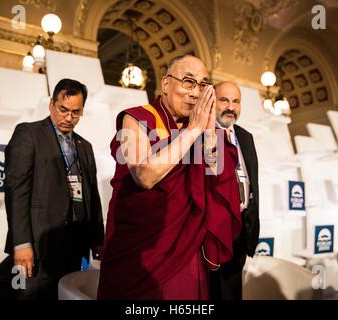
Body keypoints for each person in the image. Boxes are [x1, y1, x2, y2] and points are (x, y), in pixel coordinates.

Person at [97, 55, 243, 299]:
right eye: (188, 82)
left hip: (185, 249)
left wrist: (207, 133)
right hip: (140, 252)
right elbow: (144, 175)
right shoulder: (135, 118)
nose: (195, 93)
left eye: (203, 84)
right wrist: (193, 130)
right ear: (166, 84)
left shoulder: (204, 128)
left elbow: (216, 176)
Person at [0, 78, 104, 300]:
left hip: (73, 247)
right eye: (63, 110)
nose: (69, 118)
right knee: (24, 294)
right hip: (37, 245)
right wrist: (21, 243)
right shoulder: (28, 134)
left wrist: (98, 239)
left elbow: (92, 196)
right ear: (51, 104)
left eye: (76, 112)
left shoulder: (84, 146)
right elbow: (16, 191)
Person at [209, 81, 260, 300]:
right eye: (224, 100)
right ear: (212, 102)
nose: (231, 107)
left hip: (241, 231)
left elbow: (252, 183)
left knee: (232, 293)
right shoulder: (203, 135)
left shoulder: (246, 137)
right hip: (212, 232)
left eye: (236, 101)